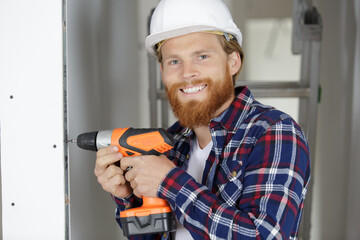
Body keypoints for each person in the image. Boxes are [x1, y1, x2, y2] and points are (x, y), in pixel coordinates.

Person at [94, 0, 311, 239]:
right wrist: (128, 198)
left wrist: (169, 181)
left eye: (202, 56)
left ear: (233, 61)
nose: (187, 73)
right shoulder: (171, 143)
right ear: (162, 72)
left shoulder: (274, 131)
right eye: (174, 61)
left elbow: (265, 235)